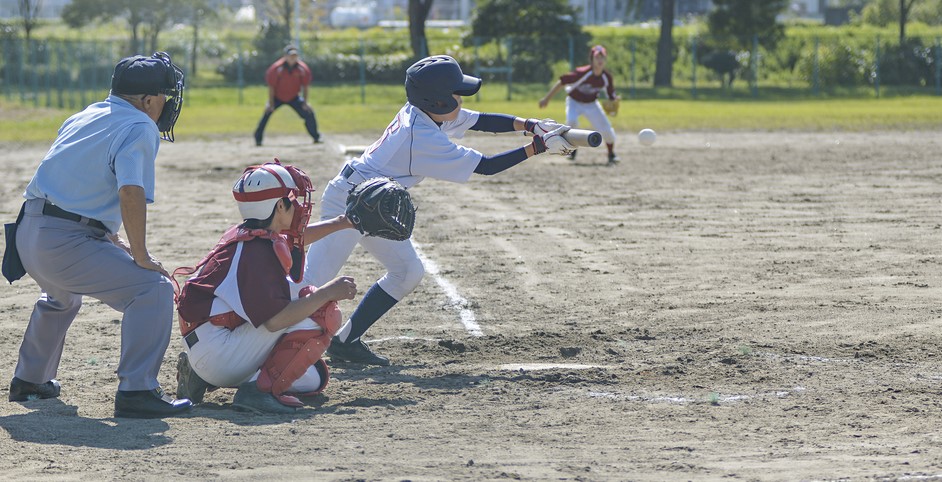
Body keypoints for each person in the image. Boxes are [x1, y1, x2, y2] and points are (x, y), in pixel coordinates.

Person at [301, 55, 574, 366]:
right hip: (351, 202)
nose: (460, 98)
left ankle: (346, 341)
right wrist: (537, 147)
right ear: (438, 100)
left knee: (407, 272)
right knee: (311, 283)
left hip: (372, 200)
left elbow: (481, 120)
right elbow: (485, 167)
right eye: (455, 93)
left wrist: (530, 125)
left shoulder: (425, 112)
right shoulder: (423, 136)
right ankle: (257, 343)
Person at [7, 52, 192, 418]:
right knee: (151, 289)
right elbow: (130, 192)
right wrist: (140, 254)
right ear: (148, 100)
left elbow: (74, 180)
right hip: (64, 241)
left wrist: (109, 238)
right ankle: (137, 391)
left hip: (28, 232)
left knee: (60, 297)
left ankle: (30, 380)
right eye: (165, 97)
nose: (167, 105)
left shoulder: (86, 114)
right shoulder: (140, 126)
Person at [173, 160, 358, 414]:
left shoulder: (249, 234)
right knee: (321, 311)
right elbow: (274, 321)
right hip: (219, 353)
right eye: (292, 199)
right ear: (278, 206)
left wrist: (342, 222)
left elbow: (295, 240)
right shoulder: (256, 254)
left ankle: (199, 377)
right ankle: (256, 392)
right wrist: (329, 292)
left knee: (312, 378)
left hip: (211, 344)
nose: (298, 205)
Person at [539, 44, 620, 165]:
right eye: (597, 57)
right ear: (592, 59)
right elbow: (562, 81)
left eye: (602, 57)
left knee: (607, 129)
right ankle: (572, 150)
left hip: (591, 104)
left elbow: (611, 95)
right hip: (574, 102)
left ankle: (611, 154)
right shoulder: (582, 73)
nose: (600, 60)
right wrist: (547, 98)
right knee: (572, 122)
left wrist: (614, 100)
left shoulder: (606, 77)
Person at [254, 45, 322, 146]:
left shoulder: (302, 69)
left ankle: (316, 137)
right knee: (267, 113)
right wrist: (271, 103)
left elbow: (305, 87)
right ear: (285, 56)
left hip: (294, 96)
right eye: (290, 56)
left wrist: (305, 102)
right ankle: (258, 139)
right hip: (277, 97)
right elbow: (271, 87)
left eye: (295, 56)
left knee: (308, 113)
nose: (293, 58)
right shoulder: (277, 68)